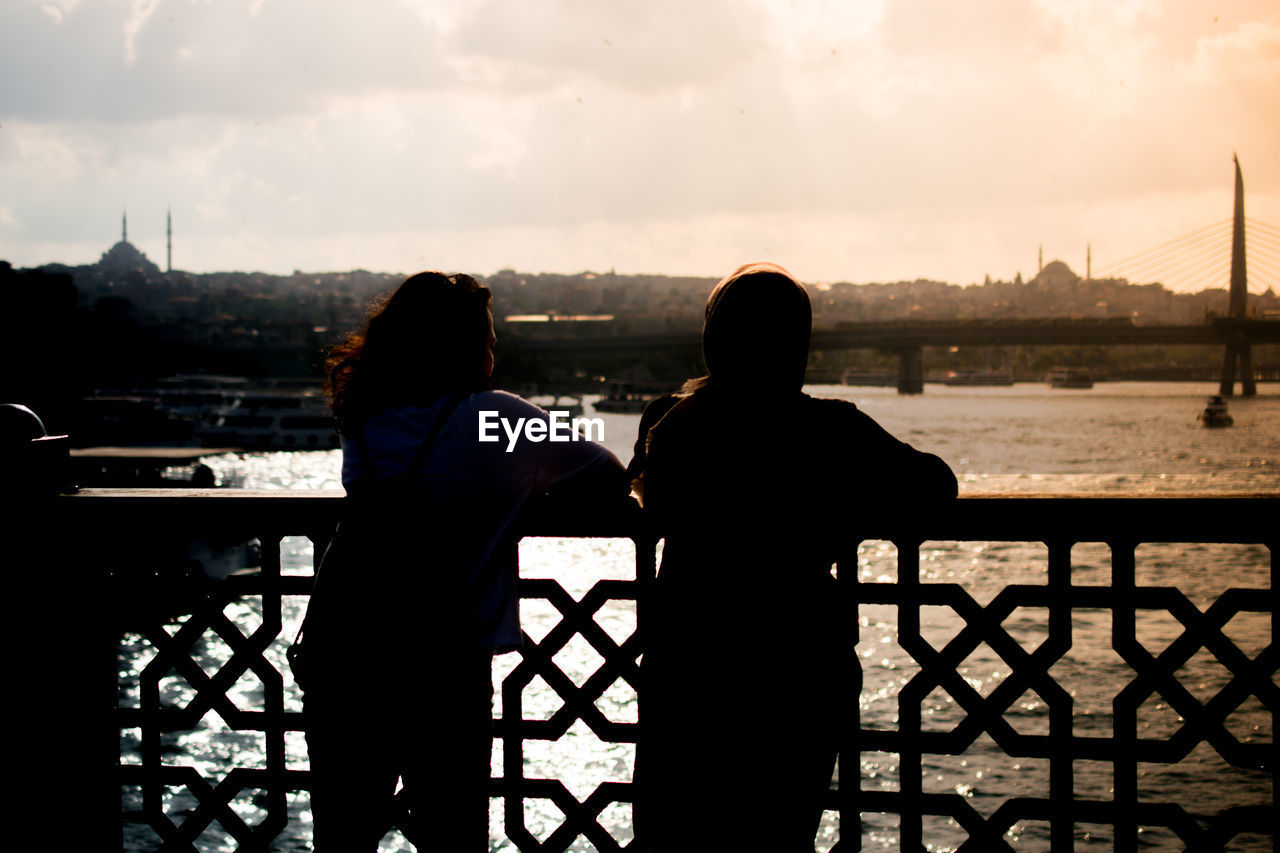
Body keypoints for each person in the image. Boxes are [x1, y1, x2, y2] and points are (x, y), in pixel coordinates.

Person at [628, 262, 956, 851]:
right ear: (797, 345)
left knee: (673, 836)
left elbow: (650, 495)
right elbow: (934, 485)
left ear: (713, 342)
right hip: (797, 661)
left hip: (689, 659)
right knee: (779, 834)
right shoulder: (831, 429)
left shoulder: (671, 424)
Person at [300, 271, 627, 851]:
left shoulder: (366, 416)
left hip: (345, 654)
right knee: (453, 837)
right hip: (441, 662)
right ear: (467, 345)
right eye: (490, 337)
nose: (495, 349)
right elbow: (605, 475)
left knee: (344, 836)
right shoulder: (494, 419)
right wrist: (522, 490)